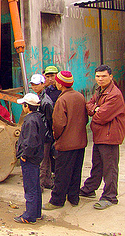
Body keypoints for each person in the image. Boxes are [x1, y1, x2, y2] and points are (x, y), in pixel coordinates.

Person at [80, 65, 125, 210]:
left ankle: (110, 196)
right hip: (100, 135)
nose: (100, 79)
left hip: (110, 135)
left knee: (110, 168)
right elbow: (88, 104)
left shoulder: (114, 95)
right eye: (98, 76)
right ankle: (90, 189)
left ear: (111, 77)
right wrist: (94, 108)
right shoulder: (100, 90)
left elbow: (101, 117)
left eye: (104, 76)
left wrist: (95, 110)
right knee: (97, 164)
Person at [43, 71, 88, 210]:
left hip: (66, 143)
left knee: (62, 173)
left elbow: (59, 124)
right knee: (76, 170)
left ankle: (57, 200)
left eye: (56, 81)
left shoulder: (62, 100)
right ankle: (74, 197)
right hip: (80, 142)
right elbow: (85, 118)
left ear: (60, 84)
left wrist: (57, 136)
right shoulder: (80, 96)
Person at [14, 93, 45, 224]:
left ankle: (29, 216)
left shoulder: (30, 120)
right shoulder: (38, 118)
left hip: (30, 158)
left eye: (23, 105)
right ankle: (36, 212)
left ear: (27, 106)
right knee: (35, 186)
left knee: (30, 187)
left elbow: (30, 141)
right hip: (36, 157)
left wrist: (25, 155)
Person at [29, 73, 55, 189]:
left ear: (42, 84)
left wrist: (48, 134)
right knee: (46, 159)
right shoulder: (39, 98)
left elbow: (50, 120)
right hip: (42, 134)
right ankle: (47, 181)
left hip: (44, 135)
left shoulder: (46, 101)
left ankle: (40, 184)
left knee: (43, 160)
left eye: (37, 84)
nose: (35, 87)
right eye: (33, 85)